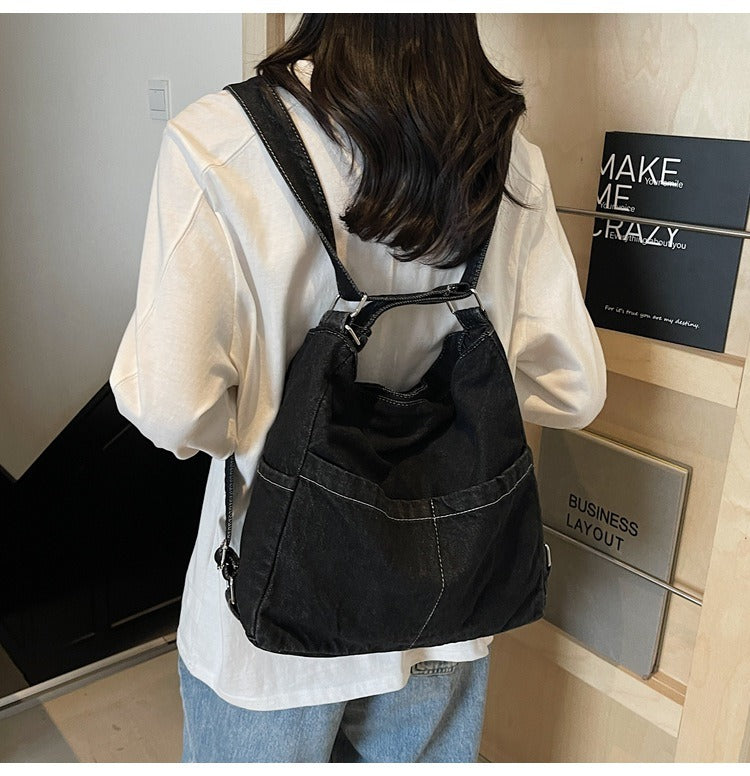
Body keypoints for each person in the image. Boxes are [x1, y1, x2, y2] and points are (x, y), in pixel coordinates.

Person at [110, 13, 606, 763]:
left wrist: (259, 423)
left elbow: (170, 407)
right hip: (443, 609)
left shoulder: (219, 142)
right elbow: (575, 390)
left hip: (273, 623)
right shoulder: (508, 161)